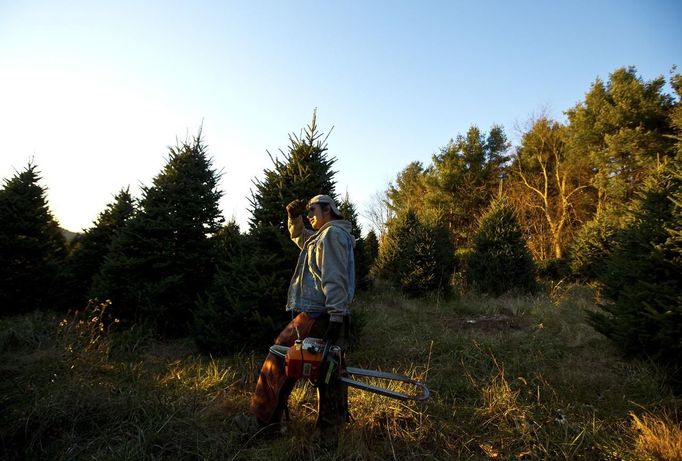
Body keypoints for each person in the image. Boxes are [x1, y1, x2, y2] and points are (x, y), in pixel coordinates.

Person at [235, 194, 356, 444]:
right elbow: (302, 239)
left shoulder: (331, 235)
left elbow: (334, 277)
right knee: (329, 372)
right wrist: (294, 218)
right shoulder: (325, 236)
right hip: (329, 314)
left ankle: (264, 425)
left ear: (328, 210)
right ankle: (328, 437)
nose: (310, 214)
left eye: (313, 210)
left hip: (319, 314)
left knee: (279, 359)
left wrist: (334, 316)